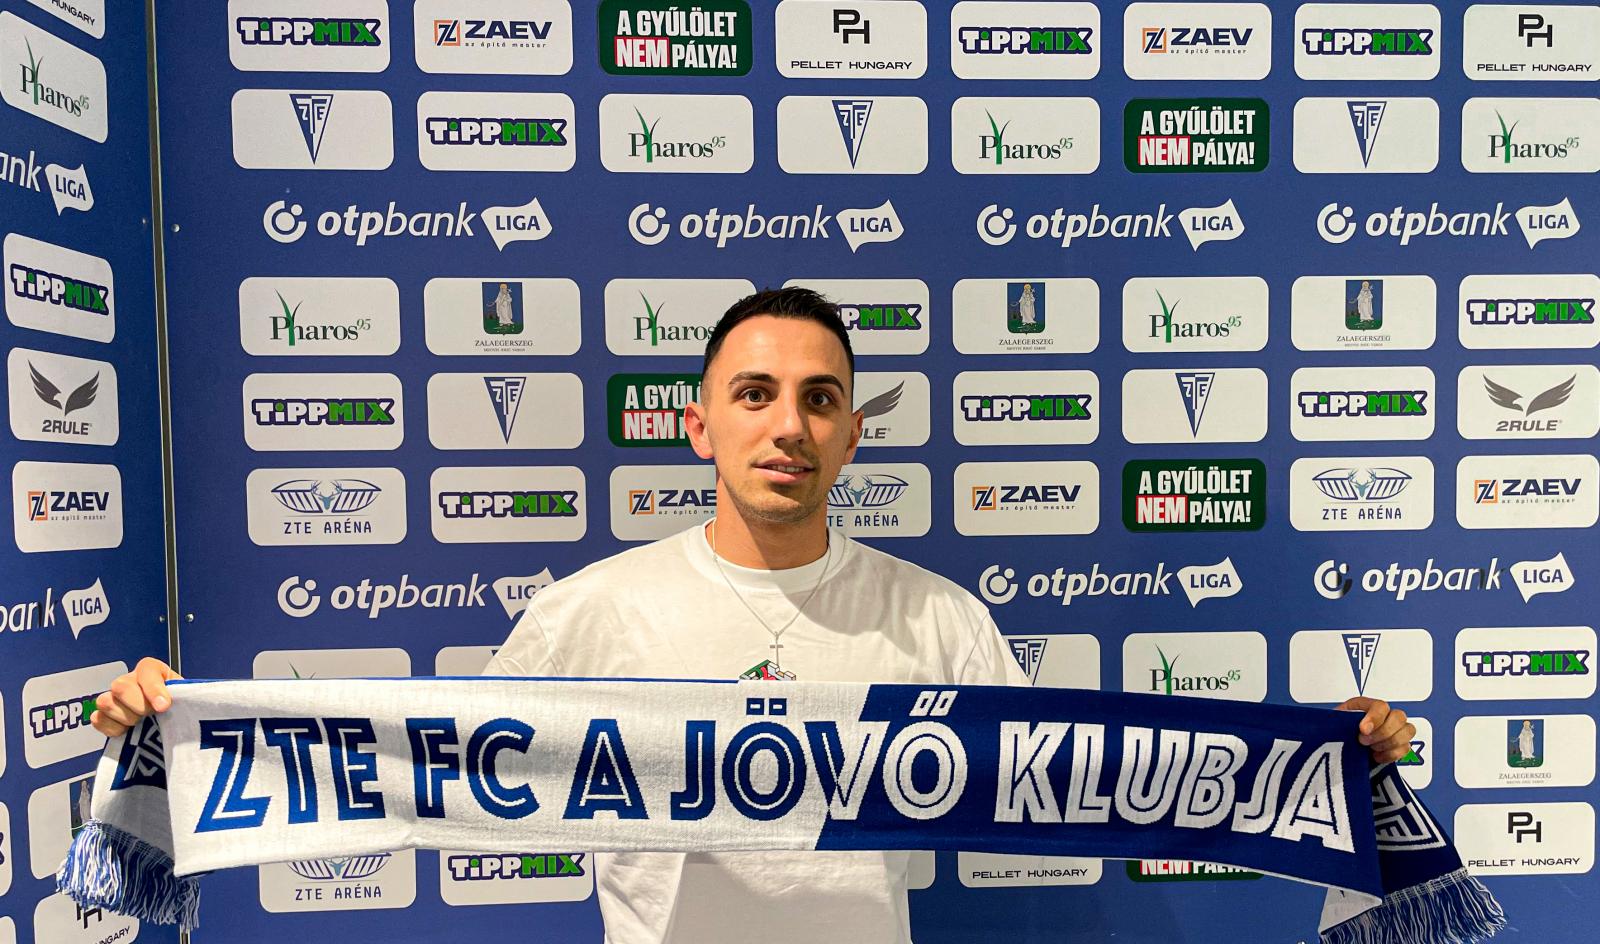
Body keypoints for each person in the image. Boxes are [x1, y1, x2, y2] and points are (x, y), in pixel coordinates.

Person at [92, 287, 1418, 944]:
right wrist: (176, 731)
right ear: (700, 424)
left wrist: (1323, 759)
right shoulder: (589, 613)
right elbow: (412, 758)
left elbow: (1102, 774)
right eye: (756, 394)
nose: (789, 425)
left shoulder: (937, 620)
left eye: (821, 399)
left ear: (852, 434)